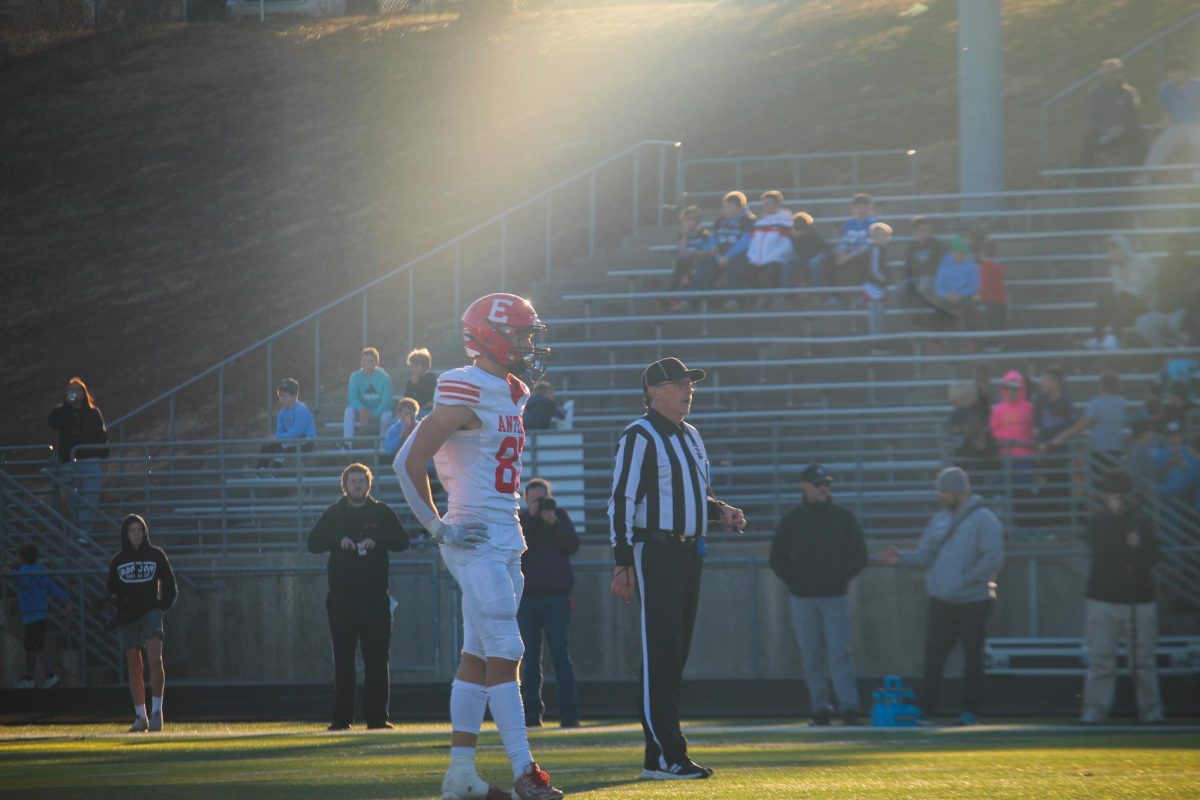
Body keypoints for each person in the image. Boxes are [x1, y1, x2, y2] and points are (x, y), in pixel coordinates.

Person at [395, 293, 563, 800]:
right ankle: (524, 772)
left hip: (504, 535)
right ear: (490, 335)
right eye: (521, 334)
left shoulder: (510, 390)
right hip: (473, 535)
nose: (529, 344)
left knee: (475, 655)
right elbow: (408, 461)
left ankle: (461, 775)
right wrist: (437, 526)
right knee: (507, 648)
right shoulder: (465, 385)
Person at [609, 357, 747, 780]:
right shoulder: (640, 435)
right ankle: (670, 752)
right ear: (653, 391)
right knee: (661, 652)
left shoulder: (691, 435)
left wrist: (720, 509)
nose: (688, 390)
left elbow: (693, 494)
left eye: (690, 383)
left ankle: (658, 757)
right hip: (656, 552)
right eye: (678, 384)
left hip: (689, 552)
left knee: (674, 652)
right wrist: (623, 562)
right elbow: (621, 500)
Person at [876, 467, 1004, 725]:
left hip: (973, 601)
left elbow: (993, 557)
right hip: (942, 600)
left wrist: (965, 581)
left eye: (945, 491)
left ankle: (970, 710)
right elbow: (926, 554)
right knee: (933, 655)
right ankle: (926, 707)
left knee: (972, 657)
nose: (941, 496)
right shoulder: (940, 520)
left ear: (959, 491)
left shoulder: (985, 519)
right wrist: (902, 558)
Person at [307, 463, 410, 731]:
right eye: (353, 482)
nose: (357, 486)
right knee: (343, 660)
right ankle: (341, 719)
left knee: (377, 660)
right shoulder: (334, 513)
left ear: (369, 485)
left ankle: (377, 718)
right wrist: (337, 539)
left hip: (376, 599)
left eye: (361, 482)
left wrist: (378, 540)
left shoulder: (381, 512)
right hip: (342, 599)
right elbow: (313, 543)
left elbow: (403, 540)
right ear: (345, 485)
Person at [768, 464, 867, 726]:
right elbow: (777, 558)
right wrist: (796, 581)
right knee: (811, 653)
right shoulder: (793, 520)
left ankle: (849, 708)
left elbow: (859, 555)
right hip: (803, 597)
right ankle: (820, 707)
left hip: (835, 595)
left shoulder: (844, 517)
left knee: (839, 652)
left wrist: (839, 578)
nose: (823, 488)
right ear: (805, 486)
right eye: (818, 484)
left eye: (826, 484)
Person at [1080, 469, 1163, 724]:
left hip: (1138, 598)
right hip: (1103, 598)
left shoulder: (1142, 521)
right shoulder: (1097, 522)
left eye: (1120, 495)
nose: (1116, 499)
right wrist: (1115, 521)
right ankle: (1094, 709)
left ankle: (1151, 711)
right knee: (1100, 659)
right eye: (1112, 495)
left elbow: (1153, 557)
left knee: (1142, 662)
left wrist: (1140, 545)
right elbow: (1097, 548)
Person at [516, 478, 581, 729]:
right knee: (530, 659)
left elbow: (572, 546)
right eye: (535, 499)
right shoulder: (521, 520)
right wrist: (532, 517)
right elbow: (519, 547)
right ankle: (532, 716)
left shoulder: (559, 516)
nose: (540, 503)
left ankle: (570, 715)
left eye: (543, 498)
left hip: (557, 597)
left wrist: (553, 521)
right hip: (528, 598)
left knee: (561, 657)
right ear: (526, 499)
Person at [106, 514, 178, 733]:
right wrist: (118, 604)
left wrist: (159, 608)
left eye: (140, 530)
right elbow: (112, 589)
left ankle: (157, 711)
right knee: (134, 665)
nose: (136, 534)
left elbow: (170, 585)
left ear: (145, 532)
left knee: (155, 660)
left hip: (151, 614)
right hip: (129, 618)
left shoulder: (156, 555)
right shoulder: (118, 561)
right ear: (125, 534)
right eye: (132, 530)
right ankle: (140, 716)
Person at [47, 377, 109, 538]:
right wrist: (67, 406)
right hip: (69, 462)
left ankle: (84, 533)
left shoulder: (93, 413)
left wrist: (104, 459)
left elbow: (102, 436)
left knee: (90, 498)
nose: (73, 393)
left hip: (91, 460)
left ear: (84, 393)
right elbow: (52, 421)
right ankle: (78, 532)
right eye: (70, 390)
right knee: (72, 499)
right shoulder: (62, 412)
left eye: (77, 390)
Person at [8, 544, 68, 689]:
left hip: (31, 616)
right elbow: (52, 587)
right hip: (41, 615)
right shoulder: (40, 571)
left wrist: (10, 573)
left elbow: (22, 582)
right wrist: (65, 600)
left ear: (21, 558)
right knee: (31, 647)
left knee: (37, 646)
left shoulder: (24, 571)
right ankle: (29, 677)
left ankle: (50, 675)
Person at [1047, 372, 1129, 463]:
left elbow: (1082, 425)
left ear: (1101, 386)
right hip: (1116, 448)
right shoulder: (1122, 403)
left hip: (1099, 449)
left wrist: (1062, 436)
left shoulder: (1097, 404)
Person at [1081, 58, 1146, 169]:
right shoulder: (1094, 94)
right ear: (1103, 73)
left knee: (1139, 135)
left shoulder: (1129, 93)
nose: (1112, 75)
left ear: (1121, 73)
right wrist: (1107, 130)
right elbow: (1092, 119)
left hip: (1124, 135)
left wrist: (1122, 127)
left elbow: (1134, 116)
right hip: (1103, 134)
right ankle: (1083, 180)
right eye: (1109, 72)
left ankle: (1136, 174)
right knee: (1088, 139)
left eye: (1115, 72)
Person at [1136, 237, 1195, 348]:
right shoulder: (1164, 268)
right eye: (1171, 250)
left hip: (1185, 311)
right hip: (1163, 312)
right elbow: (1156, 290)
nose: (1174, 253)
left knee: (1177, 323)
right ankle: (1167, 355)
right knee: (1144, 322)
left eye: (1178, 249)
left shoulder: (1195, 266)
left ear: (1185, 250)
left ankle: (1185, 360)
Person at [1144, 57, 1200, 170]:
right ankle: (1147, 174)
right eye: (1174, 72)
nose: (1178, 75)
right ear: (1169, 74)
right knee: (1159, 146)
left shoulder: (1198, 85)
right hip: (1177, 126)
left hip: (1197, 125)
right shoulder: (1165, 90)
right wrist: (1163, 132)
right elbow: (1166, 113)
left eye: (1181, 71)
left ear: (1187, 72)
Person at [845, 221, 892, 347]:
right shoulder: (875, 249)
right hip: (873, 286)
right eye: (881, 236)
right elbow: (874, 269)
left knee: (878, 315)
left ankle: (877, 340)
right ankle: (876, 342)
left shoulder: (877, 249)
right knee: (876, 315)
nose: (884, 239)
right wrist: (885, 280)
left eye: (885, 236)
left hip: (874, 285)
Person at [742, 191, 794, 299]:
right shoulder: (760, 223)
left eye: (768, 203)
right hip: (757, 259)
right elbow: (753, 243)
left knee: (772, 272)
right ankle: (762, 298)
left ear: (777, 205)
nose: (765, 206)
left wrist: (775, 256)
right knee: (746, 273)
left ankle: (774, 300)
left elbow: (787, 245)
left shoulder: (787, 222)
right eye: (764, 204)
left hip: (777, 258)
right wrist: (752, 257)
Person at [257, 378, 317, 470]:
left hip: (306, 441)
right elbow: (280, 432)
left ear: (293, 396)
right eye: (280, 396)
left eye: (284, 396)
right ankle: (260, 470)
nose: (281, 399)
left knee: (281, 445)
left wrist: (277, 437)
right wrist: (274, 439)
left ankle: (274, 472)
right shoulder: (282, 413)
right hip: (291, 441)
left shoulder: (301, 410)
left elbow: (296, 432)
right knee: (269, 444)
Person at [702, 191, 755, 291]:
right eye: (724, 207)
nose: (725, 210)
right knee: (706, 264)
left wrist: (727, 257)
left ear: (740, 207)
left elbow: (744, 243)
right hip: (720, 254)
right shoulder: (720, 221)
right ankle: (691, 301)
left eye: (729, 207)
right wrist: (716, 254)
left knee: (735, 264)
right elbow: (713, 237)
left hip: (739, 255)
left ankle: (735, 299)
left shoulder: (749, 221)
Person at [343, 347, 395, 447]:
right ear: (361, 362)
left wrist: (374, 414)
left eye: (370, 361)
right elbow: (352, 398)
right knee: (348, 411)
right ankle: (347, 445)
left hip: (378, 413)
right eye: (364, 360)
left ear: (376, 362)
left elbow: (386, 402)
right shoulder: (355, 376)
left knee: (387, 416)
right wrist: (362, 410)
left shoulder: (385, 378)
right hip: (362, 413)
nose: (367, 363)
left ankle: (383, 446)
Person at [666, 206, 714, 309]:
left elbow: (709, 252)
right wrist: (685, 236)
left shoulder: (705, 236)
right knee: (684, 261)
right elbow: (681, 253)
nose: (687, 222)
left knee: (686, 262)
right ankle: (680, 288)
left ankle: (672, 296)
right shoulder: (681, 237)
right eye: (685, 219)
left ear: (697, 221)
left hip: (700, 264)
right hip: (685, 265)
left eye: (690, 219)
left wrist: (694, 254)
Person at [783, 212, 834, 306]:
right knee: (788, 262)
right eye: (794, 229)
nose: (795, 231)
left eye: (798, 229)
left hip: (821, 255)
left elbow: (809, 255)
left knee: (813, 263)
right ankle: (788, 294)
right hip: (806, 257)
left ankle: (818, 292)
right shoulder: (794, 238)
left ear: (806, 230)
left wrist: (803, 282)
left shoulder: (812, 237)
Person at [931, 237, 980, 331]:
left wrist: (961, 295)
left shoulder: (971, 266)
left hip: (965, 298)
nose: (962, 255)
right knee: (938, 310)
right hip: (947, 298)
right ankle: (936, 341)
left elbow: (974, 285)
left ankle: (972, 340)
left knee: (971, 310)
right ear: (952, 252)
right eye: (960, 252)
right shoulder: (943, 266)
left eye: (963, 253)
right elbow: (939, 286)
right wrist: (947, 295)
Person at [947, 381, 997, 473]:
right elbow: (955, 430)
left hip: (974, 451)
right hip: (967, 451)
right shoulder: (959, 413)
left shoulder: (975, 411)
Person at [1152, 426, 1200, 511]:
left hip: (1186, 495)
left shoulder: (1188, 451)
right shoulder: (1160, 453)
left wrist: (1155, 490)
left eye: (1177, 435)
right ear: (1167, 437)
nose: (1174, 438)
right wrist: (1167, 465)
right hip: (1169, 498)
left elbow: (1190, 476)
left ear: (1182, 436)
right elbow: (1156, 476)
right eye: (1171, 435)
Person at [903, 216, 945, 306]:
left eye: (925, 230)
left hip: (932, 277)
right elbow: (908, 266)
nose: (923, 232)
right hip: (916, 278)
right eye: (920, 230)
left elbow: (941, 264)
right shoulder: (912, 247)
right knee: (900, 290)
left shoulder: (936, 245)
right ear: (915, 232)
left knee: (923, 287)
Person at [834, 192, 877, 274]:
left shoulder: (873, 223)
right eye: (858, 206)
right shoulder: (849, 223)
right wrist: (842, 253)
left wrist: (850, 255)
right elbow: (844, 241)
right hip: (849, 253)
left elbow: (868, 245)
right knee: (830, 260)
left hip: (864, 255)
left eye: (864, 206)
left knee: (863, 259)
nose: (861, 209)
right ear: (853, 208)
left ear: (870, 207)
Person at [977, 239, 1007, 346]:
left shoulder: (985, 266)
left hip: (991, 300)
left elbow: (985, 284)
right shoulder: (998, 265)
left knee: (993, 323)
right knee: (999, 322)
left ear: (983, 253)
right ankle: (1001, 342)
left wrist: (979, 295)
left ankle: (995, 344)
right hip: (1000, 299)